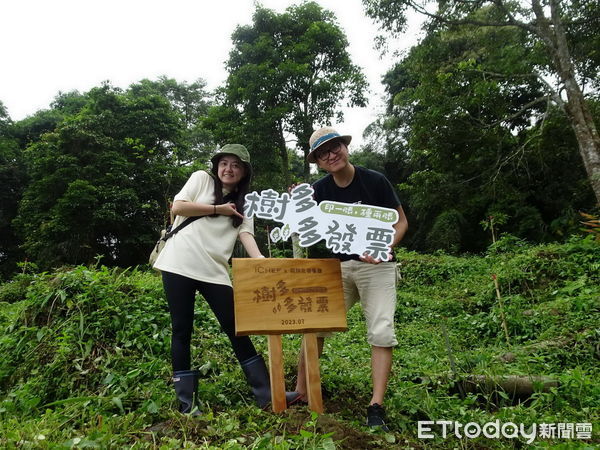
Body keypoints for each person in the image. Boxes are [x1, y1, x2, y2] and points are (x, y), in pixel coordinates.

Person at [153, 144, 298, 414]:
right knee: (182, 329)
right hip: (180, 262)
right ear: (216, 166)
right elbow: (179, 207)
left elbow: (246, 235)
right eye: (224, 163)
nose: (228, 169)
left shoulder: (247, 202)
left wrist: (262, 262)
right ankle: (187, 403)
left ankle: (266, 394)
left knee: (236, 327)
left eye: (235, 165)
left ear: (244, 172)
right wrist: (219, 209)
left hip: (215, 270)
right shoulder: (201, 179)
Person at [294, 127, 408, 431]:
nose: (331, 155)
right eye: (323, 153)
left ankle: (376, 406)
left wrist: (385, 247)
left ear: (345, 147)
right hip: (339, 267)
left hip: (377, 267)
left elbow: (401, 221)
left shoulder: (375, 181)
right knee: (314, 325)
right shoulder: (319, 189)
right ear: (318, 161)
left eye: (335, 147)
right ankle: (302, 391)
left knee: (381, 330)